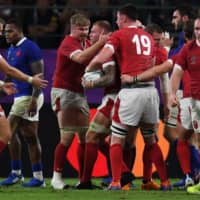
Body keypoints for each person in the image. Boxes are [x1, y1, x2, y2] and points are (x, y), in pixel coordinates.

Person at [85, 3, 171, 190]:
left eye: (117, 18)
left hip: (131, 92)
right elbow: (161, 63)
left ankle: (116, 181)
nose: (116, 21)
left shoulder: (119, 35)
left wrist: (89, 69)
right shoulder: (148, 37)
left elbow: (102, 57)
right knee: (151, 140)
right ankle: (165, 182)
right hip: (151, 92)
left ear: (123, 18)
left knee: (116, 139)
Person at [50, 13, 108, 190]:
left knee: (84, 137)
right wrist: (100, 44)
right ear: (72, 28)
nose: (84, 32)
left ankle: (83, 180)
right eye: (81, 29)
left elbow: (93, 63)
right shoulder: (68, 43)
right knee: (66, 137)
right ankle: (56, 178)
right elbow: (82, 59)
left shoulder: (87, 44)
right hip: (63, 92)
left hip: (79, 93)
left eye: (86, 29)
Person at [0, 18, 47, 187]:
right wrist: (4, 87)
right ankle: (38, 177)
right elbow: (10, 72)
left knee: (7, 132)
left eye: (10, 31)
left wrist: (34, 99)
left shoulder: (30, 47)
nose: (7, 34)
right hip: (19, 96)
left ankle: (16, 173)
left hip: (28, 96)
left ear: (20, 31)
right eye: (5, 31)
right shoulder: (12, 49)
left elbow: (39, 77)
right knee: (30, 136)